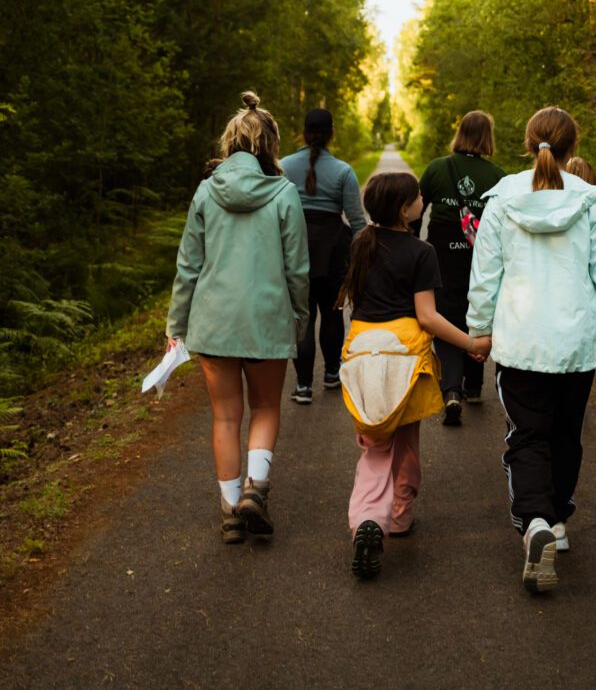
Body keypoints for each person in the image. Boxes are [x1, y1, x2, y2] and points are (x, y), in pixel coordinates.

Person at [467, 106, 596, 593]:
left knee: (527, 434)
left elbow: (486, 275)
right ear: (571, 147)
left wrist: (479, 331)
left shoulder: (501, 200)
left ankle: (536, 522)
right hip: (576, 343)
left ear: (529, 145)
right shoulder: (591, 201)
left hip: (521, 340)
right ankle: (558, 522)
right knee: (566, 432)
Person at [166, 91, 309, 543]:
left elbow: (188, 264)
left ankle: (230, 512)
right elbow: (297, 268)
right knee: (266, 406)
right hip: (266, 317)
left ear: (229, 144)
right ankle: (256, 490)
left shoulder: (206, 191)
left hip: (214, 321)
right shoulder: (284, 194)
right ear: (271, 145)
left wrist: (176, 326)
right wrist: (299, 318)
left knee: (225, 417)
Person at [336, 172, 489, 579]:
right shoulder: (422, 252)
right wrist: (471, 344)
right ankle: (397, 517)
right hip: (406, 356)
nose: (423, 198)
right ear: (405, 209)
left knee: (375, 442)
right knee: (405, 439)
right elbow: (427, 316)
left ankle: (369, 518)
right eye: (417, 196)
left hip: (364, 350)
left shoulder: (361, 244)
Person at [413, 111, 504, 425]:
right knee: (475, 309)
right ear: (487, 138)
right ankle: (474, 385)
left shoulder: (438, 168)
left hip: (440, 253)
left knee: (446, 314)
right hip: (480, 254)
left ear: (460, 134)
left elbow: (415, 212)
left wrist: (412, 249)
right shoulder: (497, 176)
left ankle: (451, 390)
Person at [281, 109, 367, 403]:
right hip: (333, 250)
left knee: (302, 317)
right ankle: (332, 373)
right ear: (332, 133)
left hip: (294, 248)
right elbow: (357, 222)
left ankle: (303, 386)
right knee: (332, 314)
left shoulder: (283, 167)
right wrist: (361, 260)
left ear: (303, 133)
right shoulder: (343, 171)